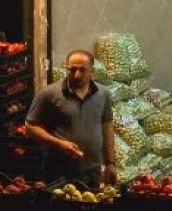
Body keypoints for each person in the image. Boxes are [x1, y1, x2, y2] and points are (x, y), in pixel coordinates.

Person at [25, 50, 117, 185]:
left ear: (92, 70)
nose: (77, 75)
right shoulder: (49, 94)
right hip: (58, 173)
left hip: (92, 172)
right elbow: (30, 128)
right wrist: (59, 144)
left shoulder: (103, 95)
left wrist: (110, 163)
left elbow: (107, 127)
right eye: (72, 70)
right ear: (66, 68)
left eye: (82, 70)